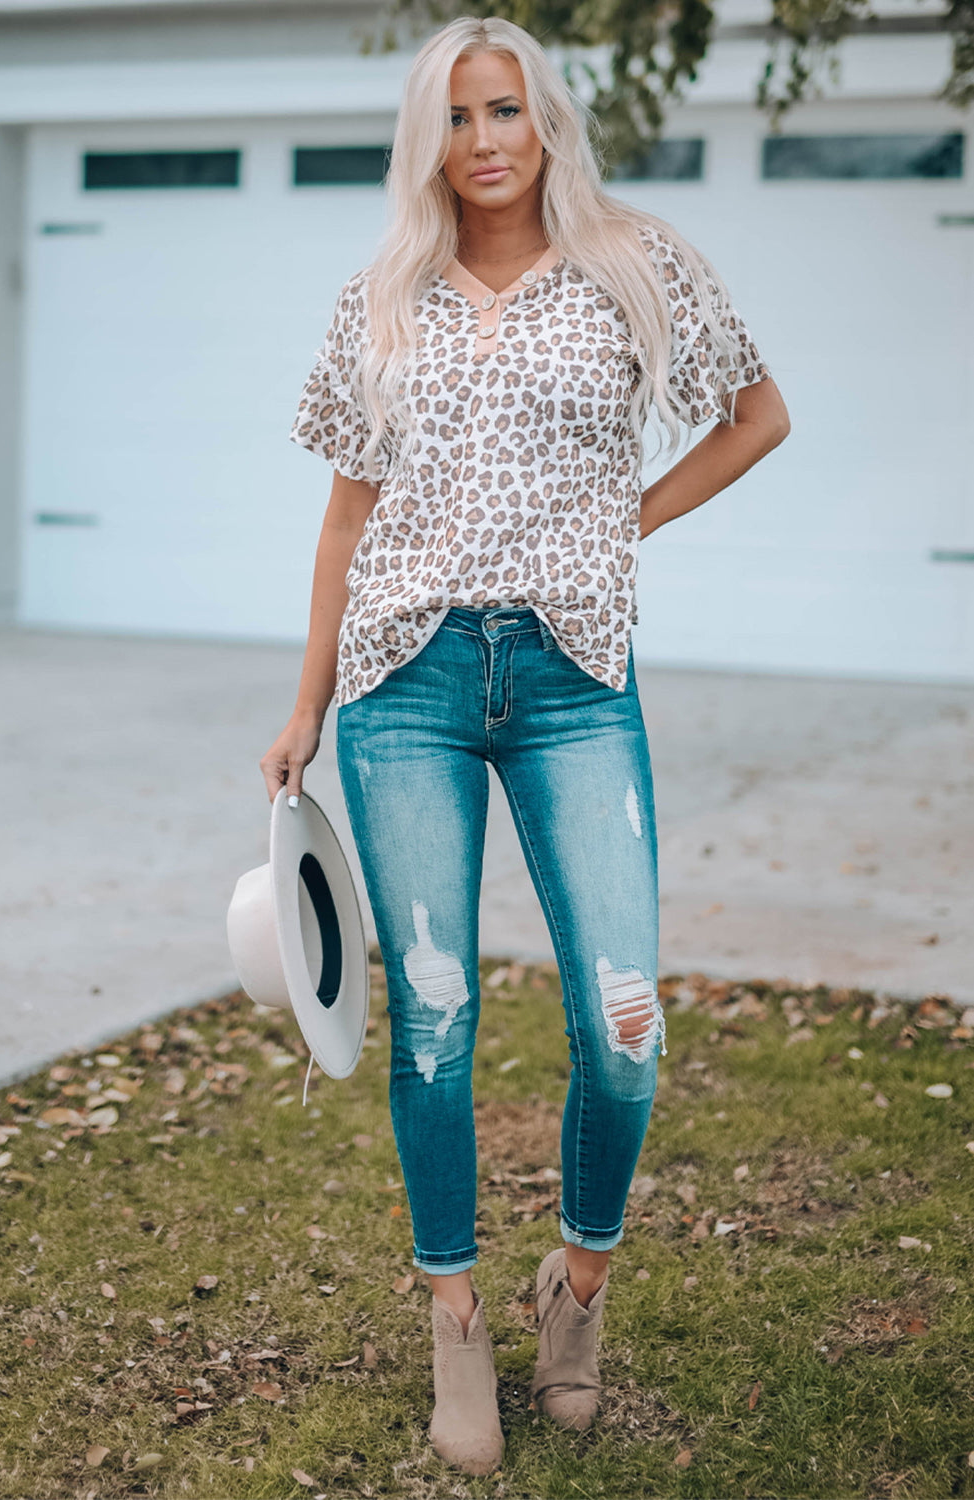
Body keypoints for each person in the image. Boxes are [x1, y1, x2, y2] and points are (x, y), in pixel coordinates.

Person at [261, 13, 790, 1477]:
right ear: (423, 140)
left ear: (543, 117)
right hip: (401, 681)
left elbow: (756, 416)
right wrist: (305, 704)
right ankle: (452, 1324)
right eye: (455, 118)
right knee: (432, 1025)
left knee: (625, 1034)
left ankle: (577, 1285)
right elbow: (346, 518)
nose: (484, 142)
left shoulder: (635, 261)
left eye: (505, 111)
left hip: (569, 676)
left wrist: (623, 521)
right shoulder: (378, 296)